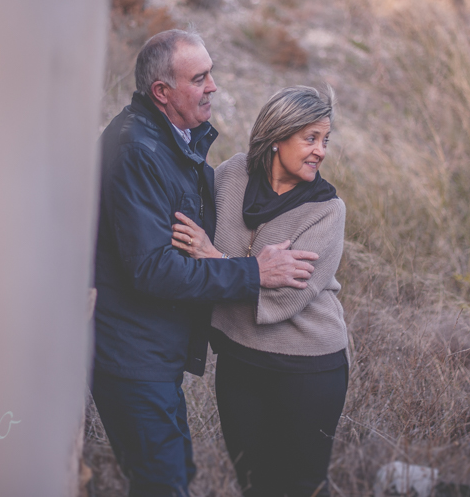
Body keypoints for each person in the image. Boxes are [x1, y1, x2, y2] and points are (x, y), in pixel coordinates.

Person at [91, 30, 320, 497]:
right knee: (163, 482)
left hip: (154, 349)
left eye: (210, 73)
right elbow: (152, 269)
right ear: (162, 92)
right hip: (131, 352)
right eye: (199, 78)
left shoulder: (174, 140)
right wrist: (255, 272)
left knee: (173, 473)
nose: (213, 86)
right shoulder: (138, 152)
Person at [172, 86, 348, 497]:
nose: (321, 151)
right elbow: (189, 248)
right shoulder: (231, 175)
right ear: (276, 136)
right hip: (238, 359)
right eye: (310, 138)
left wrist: (213, 256)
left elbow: (284, 297)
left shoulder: (326, 210)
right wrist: (244, 269)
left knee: (301, 487)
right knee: (253, 483)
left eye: (325, 140)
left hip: (307, 368)